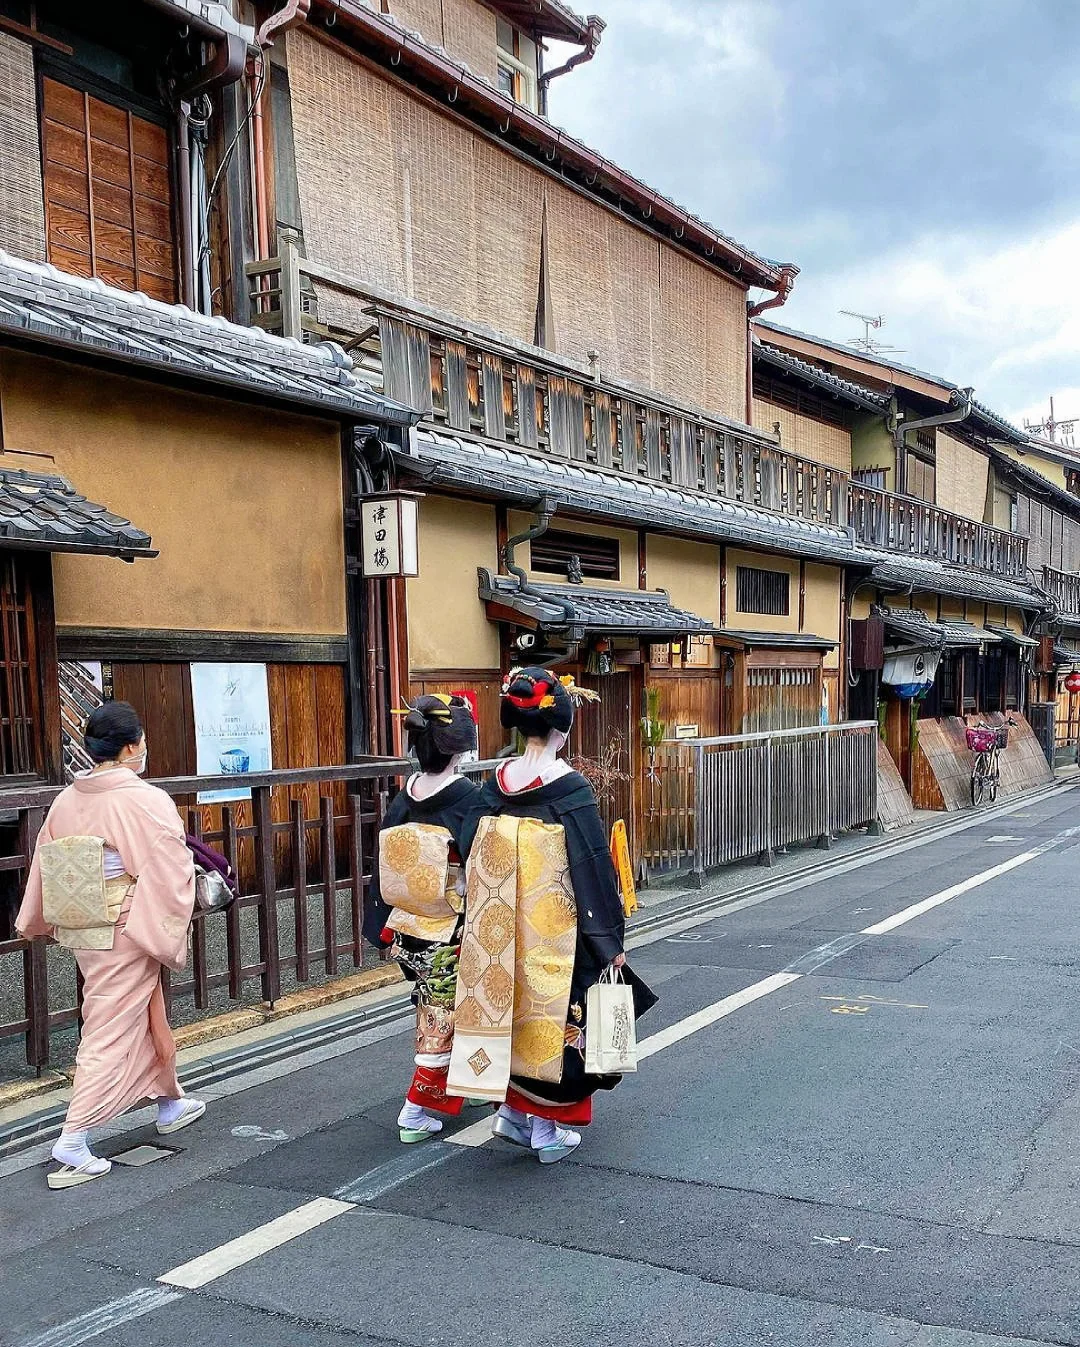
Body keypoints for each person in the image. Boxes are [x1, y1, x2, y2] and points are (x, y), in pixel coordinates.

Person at [449, 667, 656, 1164]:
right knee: (561, 1014)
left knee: (508, 1011)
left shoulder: (495, 787)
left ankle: (512, 1114)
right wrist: (608, 937)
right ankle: (546, 1129)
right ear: (562, 727)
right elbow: (592, 865)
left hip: (501, 932)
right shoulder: (569, 788)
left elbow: (468, 846)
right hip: (557, 933)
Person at [16, 702, 202, 1189]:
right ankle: (73, 1139)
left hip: (87, 925)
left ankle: (169, 1100)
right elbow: (169, 865)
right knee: (110, 1025)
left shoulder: (67, 798)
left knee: (145, 1010)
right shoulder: (141, 798)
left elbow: (46, 862)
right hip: (126, 924)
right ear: (132, 746)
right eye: (142, 740)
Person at [363, 694, 480, 1143]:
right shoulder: (467, 800)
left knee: (443, 1007)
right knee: (441, 1015)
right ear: (461, 750)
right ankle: (415, 1109)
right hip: (450, 929)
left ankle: (470, 1083)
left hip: (406, 928)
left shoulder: (403, 798)